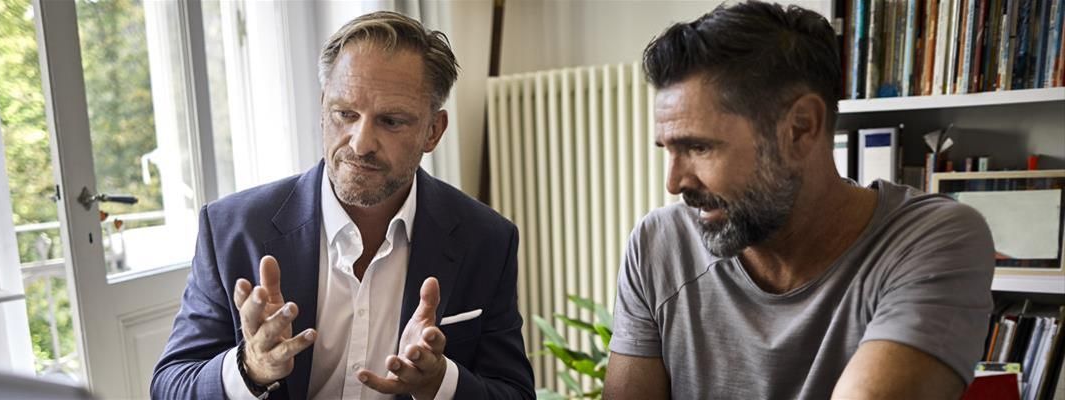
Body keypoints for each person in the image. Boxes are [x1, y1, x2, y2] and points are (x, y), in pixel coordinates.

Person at [603, 2, 995, 399]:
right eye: (668, 150)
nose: (674, 182)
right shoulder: (659, 244)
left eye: (699, 147)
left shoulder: (933, 240)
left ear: (800, 128)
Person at [152, 11, 534, 400]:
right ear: (322, 108)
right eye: (345, 114)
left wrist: (441, 382)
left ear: (433, 131)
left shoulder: (486, 239)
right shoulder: (232, 230)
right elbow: (170, 385)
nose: (359, 143)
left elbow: (514, 392)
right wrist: (249, 369)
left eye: (391, 121)